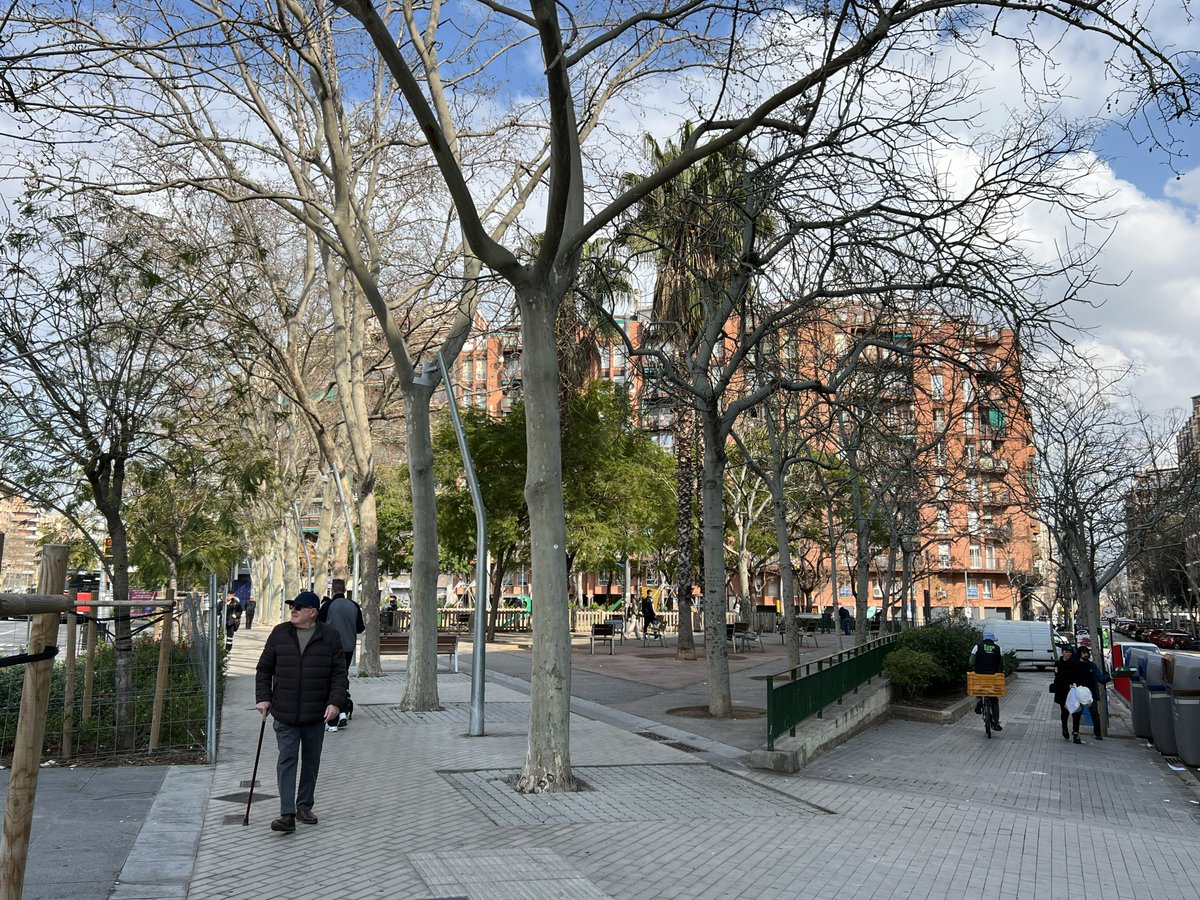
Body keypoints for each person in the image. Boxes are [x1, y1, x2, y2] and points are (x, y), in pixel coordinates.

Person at [255, 590, 348, 834]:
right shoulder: (280, 633)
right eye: (292, 607)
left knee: (310, 762)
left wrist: (335, 703)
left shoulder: (329, 636)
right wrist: (263, 698)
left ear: (312, 612)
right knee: (287, 759)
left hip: (316, 713)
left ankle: (304, 806)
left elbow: (339, 674)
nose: (293, 611)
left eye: (298, 607)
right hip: (284, 712)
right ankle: (287, 814)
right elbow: (264, 669)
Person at [318, 578, 365, 730]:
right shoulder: (354, 606)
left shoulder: (327, 606)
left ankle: (334, 712)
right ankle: (343, 709)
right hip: (348, 647)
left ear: (332, 590)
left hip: (329, 648)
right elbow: (360, 628)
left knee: (330, 679)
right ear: (345, 590)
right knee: (342, 677)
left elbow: (318, 625)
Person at [1067, 645, 1109, 743]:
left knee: (1094, 712)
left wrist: (1111, 677)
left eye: (1087, 652)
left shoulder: (1091, 665)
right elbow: (1070, 678)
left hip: (1091, 694)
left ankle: (1097, 733)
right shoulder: (1075, 665)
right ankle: (1075, 733)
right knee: (1077, 714)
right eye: (1084, 652)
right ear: (1079, 654)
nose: (1086, 654)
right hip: (1079, 693)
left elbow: (1100, 678)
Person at [969, 629, 1004, 731]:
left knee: (979, 688)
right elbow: (1002, 665)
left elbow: (971, 662)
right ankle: (996, 723)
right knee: (994, 700)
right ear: (993, 639)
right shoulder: (998, 649)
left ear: (983, 638)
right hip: (993, 678)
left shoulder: (977, 647)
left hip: (980, 677)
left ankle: (980, 700)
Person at [1051, 645, 1076, 740]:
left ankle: (1075, 730)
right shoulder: (1058, 663)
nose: (1068, 654)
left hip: (1072, 690)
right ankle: (1064, 727)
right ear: (1062, 652)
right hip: (1062, 690)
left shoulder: (1074, 663)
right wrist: (1066, 685)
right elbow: (1058, 677)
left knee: (1074, 710)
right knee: (1064, 711)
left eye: (1070, 652)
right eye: (1066, 652)